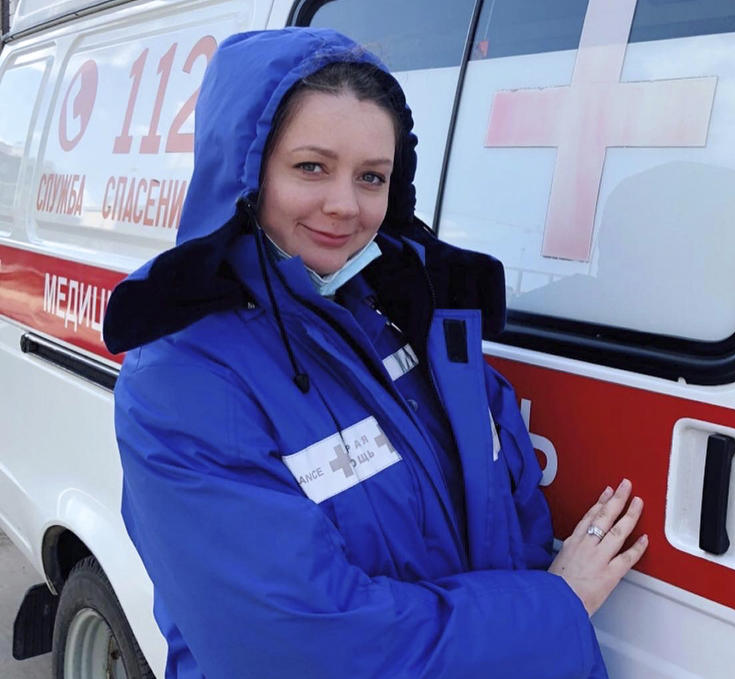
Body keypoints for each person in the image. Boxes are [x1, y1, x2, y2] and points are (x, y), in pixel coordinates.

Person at [104, 27, 647, 679]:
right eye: (312, 167)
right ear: (246, 175)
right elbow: (302, 647)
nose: (345, 205)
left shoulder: (406, 313)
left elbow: (511, 506)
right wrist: (553, 608)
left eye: (371, 176)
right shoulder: (183, 380)